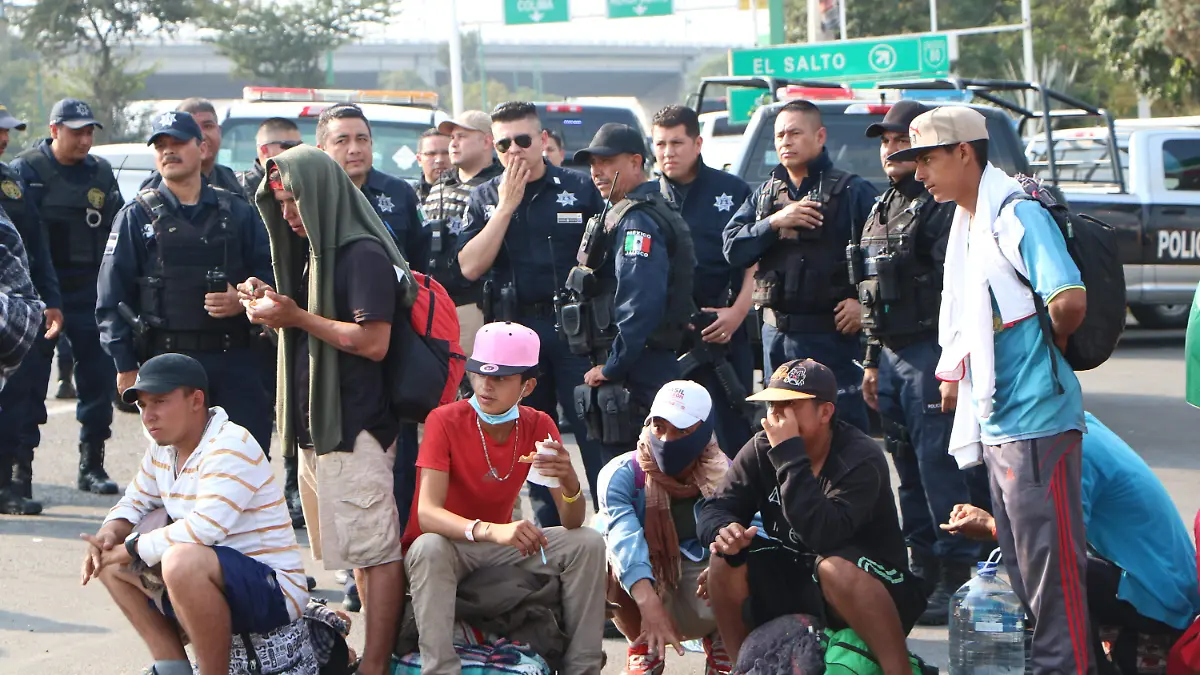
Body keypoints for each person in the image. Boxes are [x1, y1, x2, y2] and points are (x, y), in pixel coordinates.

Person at [892, 105, 1091, 675]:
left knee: (1052, 576)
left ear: (964, 153)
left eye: (928, 158)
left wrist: (1037, 357)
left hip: (1037, 419)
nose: (920, 172)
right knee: (1028, 572)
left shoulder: (1015, 213)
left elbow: (1068, 300)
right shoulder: (968, 221)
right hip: (1003, 421)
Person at [242, 144, 415, 675]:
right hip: (322, 430)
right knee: (358, 558)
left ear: (319, 193)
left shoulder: (359, 252)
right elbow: (312, 329)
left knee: (376, 554)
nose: (288, 214)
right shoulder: (314, 254)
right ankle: (373, 657)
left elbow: (372, 342)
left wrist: (294, 316)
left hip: (355, 427)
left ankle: (378, 664)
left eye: (294, 200)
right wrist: (275, 308)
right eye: (280, 204)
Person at [82, 353, 311, 675]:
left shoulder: (230, 444)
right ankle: (172, 667)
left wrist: (131, 547)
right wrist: (108, 535)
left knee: (180, 562)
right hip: (216, 581)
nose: (149, 415)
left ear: (196, 400)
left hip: (273, 591)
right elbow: (134, 501)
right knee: (107, 561)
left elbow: (205, 529)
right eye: (143, 405)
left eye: (160, 401)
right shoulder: (163, 447)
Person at [854, 100, 991, 623]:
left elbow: (956, 294)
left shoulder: (941, 209)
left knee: (942, 471)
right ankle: (924, 569)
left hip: (930, 353)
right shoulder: (883, 204)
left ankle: (959, 574)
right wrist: (870, 360)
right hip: (889, 356)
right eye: (885, 142)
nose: (891, 150)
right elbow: (870, 291)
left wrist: (950, 365)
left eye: (900, 141)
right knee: (907, 469)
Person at [403, 321, 606, 674]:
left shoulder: (539, 423)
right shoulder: (444, 420)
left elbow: (572, 523)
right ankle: (440, 669)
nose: (486, 384)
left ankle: (582, 668)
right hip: (452, 547)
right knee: (428, 547)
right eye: (480, 373)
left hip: (500, 546)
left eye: (501, 377)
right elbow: (428, 515)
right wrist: (494, 530)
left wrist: (569, 479)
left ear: (527, 386)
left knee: (587, 542)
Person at [697, 359, 926, 670]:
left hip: (877, 590)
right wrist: (723, 532)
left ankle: (898, 668)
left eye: (789, 405)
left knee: (833, 567)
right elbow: (717, 506)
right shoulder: (764, 447)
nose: (776, 416)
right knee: (724, 562)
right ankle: (744, 666)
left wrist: (789, 456)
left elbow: (822, 535)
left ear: (825, 412)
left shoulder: (859, 457)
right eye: (771, 405)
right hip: (805, 575)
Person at [943, 412, 1200, 675]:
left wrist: (992, 526)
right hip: (1165, 584)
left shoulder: (1063, 447)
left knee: (1044, 570)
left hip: (1160, 598)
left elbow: (1056, 541)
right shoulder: (1071, 423)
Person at [457, 101, 607, 527]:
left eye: (523, 140)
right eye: (504, 143)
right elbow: (469, 266)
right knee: (532, 439)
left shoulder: (577, 188)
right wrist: (506, 206)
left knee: (593, 430)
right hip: (515, 334)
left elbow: (607, 262)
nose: (514, 151)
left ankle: (608, 531)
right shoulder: (485, 197)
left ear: (543, 141)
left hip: (573, 332)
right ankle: (551, 535)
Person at [96, 111, 275, 453]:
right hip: (166, 362)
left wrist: (243, 299)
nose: (168, 151)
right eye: (161, 145)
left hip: (233, 358)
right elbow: (111, 298)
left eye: (178, 142)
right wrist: (125, 365)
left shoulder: (237, 212)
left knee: (246, 463)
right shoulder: (135, 216)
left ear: (202, 146)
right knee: (175, 475)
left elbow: (270, 276)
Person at [723, 100, 878, 433]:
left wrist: (861, 304)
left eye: (794, 132)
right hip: (775, 338)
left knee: (840, 436)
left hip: (829, 339)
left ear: (820, 136)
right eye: (779, 134)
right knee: (781, 436)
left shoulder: (852, 191)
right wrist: (775, 222)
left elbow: (881, 258)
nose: (785, 141)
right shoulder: (765, 195)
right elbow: (732, 249)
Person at [12, 97, 123, 494]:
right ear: (55, 130)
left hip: (90, 293)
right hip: (41, 293)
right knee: (30, 385)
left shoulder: (101, 172)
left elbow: (118, 228)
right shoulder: (28, 170)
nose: (85, 140)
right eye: (77, 132)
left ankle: (91, 464)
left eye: (90, 131)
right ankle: (20, 472)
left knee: (97, 379)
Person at [573, 122, 694, 465]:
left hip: (638, 366)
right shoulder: (643, 209)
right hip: (644, 359)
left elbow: (640, 301)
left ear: (635, 162)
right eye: (593, 164)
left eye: (607, 162)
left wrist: (613, 366)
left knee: (632, 469)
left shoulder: (637, 220)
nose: (598, 172)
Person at [597, 379, 733, 674]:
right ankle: (645, 647)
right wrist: (646, 601)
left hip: (705, 587)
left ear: (704, 430)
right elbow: (623, 538)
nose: (667, 440)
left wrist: (725, 565)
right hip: (648, 583)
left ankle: (726, 639)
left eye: (681, 431)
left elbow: (753, 531)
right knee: (598, 550)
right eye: (659, 427)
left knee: (748, 555)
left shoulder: (727, 475)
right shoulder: (621, 475)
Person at [652, 105, 755, 458]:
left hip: (722, 334)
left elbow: (754, 262)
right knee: (671, 442)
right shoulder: (644, 198)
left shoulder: (732, 190)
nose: (668, 152)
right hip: (666, 339)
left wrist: (738, 312)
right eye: (661, 143)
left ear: (697, 143)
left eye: (677, 142)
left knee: (734, 438)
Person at [0, 103, 62, 515]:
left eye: (6, 132)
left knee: (19, 401)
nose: (5, 139)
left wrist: (51, 300)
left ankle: (7, 484)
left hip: (14, 315)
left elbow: (36, 247)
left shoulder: (11, 180)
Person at [316, 103, 428, 273]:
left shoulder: (399, 191)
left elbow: (421, 254)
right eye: (342, 141)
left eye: (362, 139)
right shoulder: (313, 195)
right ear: (322, 150)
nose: (354, 149)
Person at [426, 110, 503, 356]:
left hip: (473, 302)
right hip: (433, 299)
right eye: (452, 137)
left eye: (462, 136)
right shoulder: (441, 183)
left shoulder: (497, 185)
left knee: (471, 381)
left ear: (487, 140)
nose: (453, 143)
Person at [140, 98, 243, 196]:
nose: (201, 135)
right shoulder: (154, 188)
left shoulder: (228, 178)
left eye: (207, 126)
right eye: (193, 129)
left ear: (219, 131)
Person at [238, 117, 302, 200]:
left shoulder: (303, 184)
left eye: (299, 145)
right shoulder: (239, 188)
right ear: (265, 150)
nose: (297, 151)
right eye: (289, 145)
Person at [415, 128, 450, 202]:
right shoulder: (409, 196)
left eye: (446, 153)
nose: (439, 160)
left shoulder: (466, 193)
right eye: (431, 154)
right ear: (419, 159)